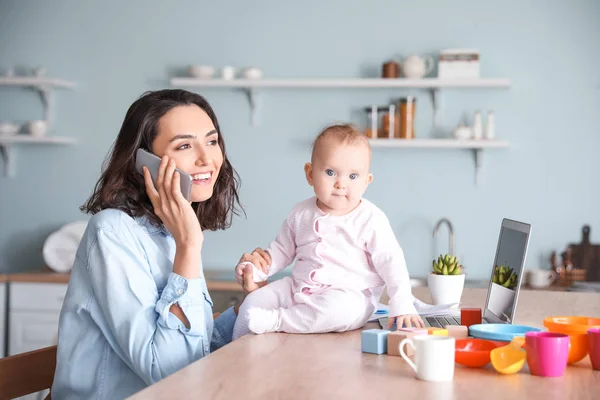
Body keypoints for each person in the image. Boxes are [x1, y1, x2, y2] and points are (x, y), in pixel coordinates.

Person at [52, 89, 262, 399]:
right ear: (144, 161)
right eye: (185, 145)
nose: (207, 158)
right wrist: (189, 246)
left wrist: (247, 307)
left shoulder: (168, 232)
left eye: (212, 141)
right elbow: (170, 372)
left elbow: (194, 350)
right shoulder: (112, 231)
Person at [232, 123, 424, 340]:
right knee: (254, 302)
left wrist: (402, 304)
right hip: (297, 289)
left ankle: (278, 321)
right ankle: (238, 349)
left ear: (366, 182)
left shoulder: (370, 218)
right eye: (331, 172)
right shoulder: (300, 212)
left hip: (349, 296)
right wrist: (257, 270)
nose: (340, 184)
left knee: (342, 310)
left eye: (353, 176)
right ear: (310, 174)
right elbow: (281, 251)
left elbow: (392, 263)